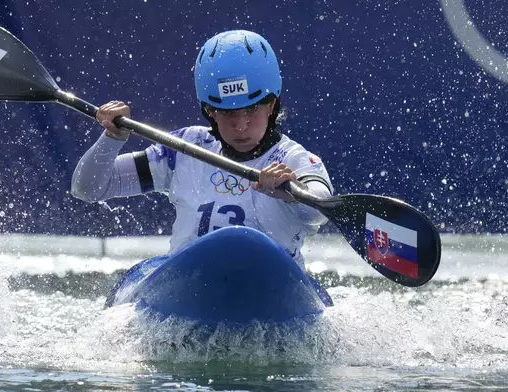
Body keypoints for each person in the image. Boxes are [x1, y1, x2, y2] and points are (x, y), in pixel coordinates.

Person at [71, 30, 333, 273]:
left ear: (271, 105)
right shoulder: (184, 148)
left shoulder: (294, 159)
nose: (241, 125)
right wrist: (112, 138)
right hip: (191, 284)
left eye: (251, 109)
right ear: (209, 111)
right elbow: (89, 188)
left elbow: (320, 210)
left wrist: (293, 194)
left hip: (272, 284)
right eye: (228, 112)